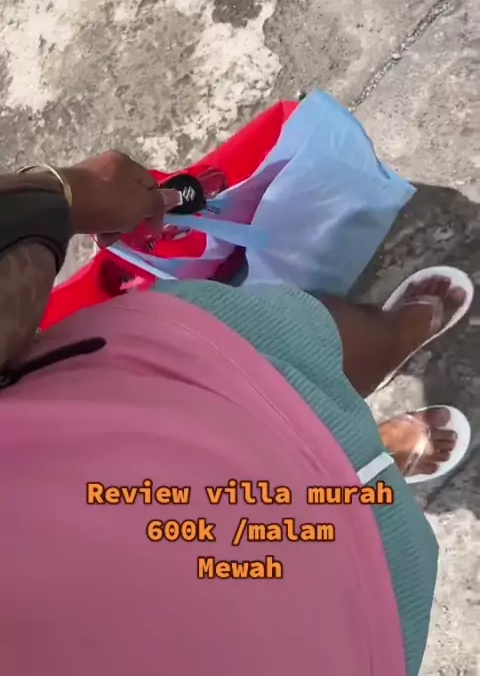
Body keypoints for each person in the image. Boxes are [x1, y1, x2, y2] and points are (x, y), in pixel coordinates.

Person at [0, 150, 467, 676]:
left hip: (324, 623)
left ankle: (368, 451)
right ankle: (368, 447)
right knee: (299, 367)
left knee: (301, 369)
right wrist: (62, 195)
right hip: (190, 415)